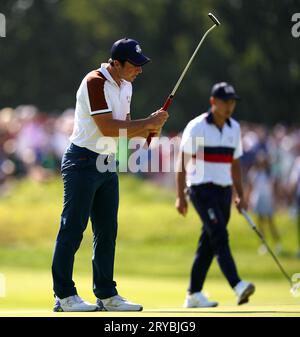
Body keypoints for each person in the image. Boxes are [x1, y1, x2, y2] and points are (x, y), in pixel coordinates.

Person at [51, 38, 169, 312]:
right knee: (73, 227)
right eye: (134, 65)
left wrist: (151, 127)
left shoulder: (126, 86)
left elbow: (124, 128)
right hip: (81, 161)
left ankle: (106, 295)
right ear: (116, 63)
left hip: (107, 162)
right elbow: (106, 127)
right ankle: (64, 295)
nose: (139, 70)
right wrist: (146, 124)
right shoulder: (94, 81)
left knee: (106, 231)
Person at [175, 82, 255, 308]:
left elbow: (235, 165)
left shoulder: (234, 128)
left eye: (232, 102)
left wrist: (240, 195)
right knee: (219, 235)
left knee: (209, 242)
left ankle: (193, 294)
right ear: (213, 102)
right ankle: (238, 285)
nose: (229, 106)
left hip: (223, 192)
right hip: (201, 190)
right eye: (225, 101)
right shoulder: (197, 127)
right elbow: (182, 163)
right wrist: (180, 196)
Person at [247, 151, 281, 255]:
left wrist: (275, 200)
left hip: (268, 199)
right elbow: (250, 187)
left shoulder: (270, 173)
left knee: (271, 222)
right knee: (260, 223)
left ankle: (277, 244)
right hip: (257, 199)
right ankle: (263, 244)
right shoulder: (254, 172)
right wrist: (248, 200)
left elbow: (275, 188)